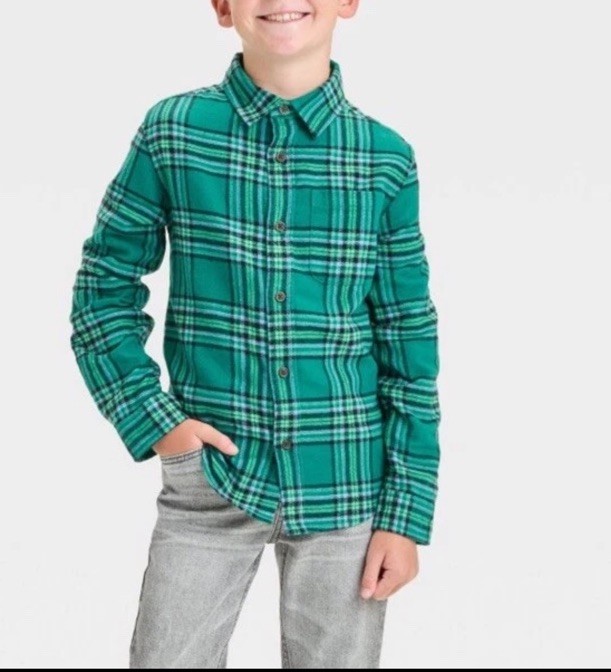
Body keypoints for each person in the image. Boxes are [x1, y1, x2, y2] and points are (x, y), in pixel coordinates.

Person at [69, 0, 442, 668]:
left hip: (345, 481)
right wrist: (156, 422)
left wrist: (404, 514)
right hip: (211, 477)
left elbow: (407, 343)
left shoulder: (383, 158)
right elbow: (103, 288)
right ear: (222, 6)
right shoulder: (174, 132)